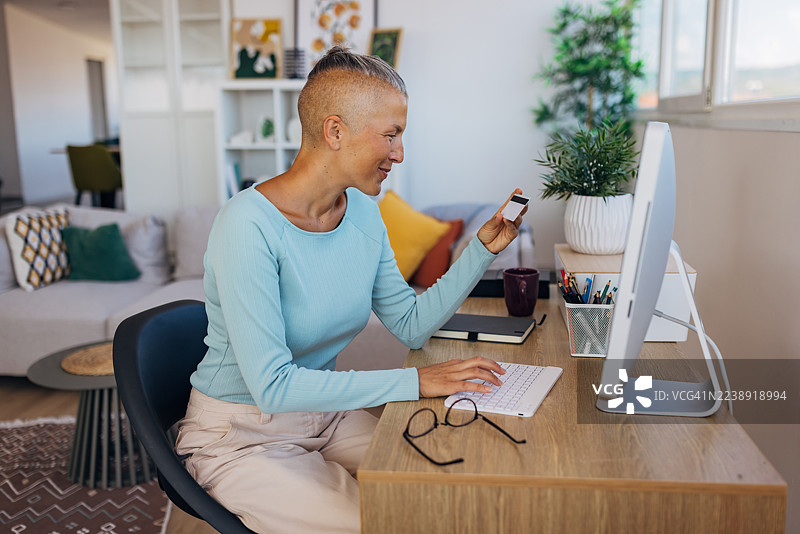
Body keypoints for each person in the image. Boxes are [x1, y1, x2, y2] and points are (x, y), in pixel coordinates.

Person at [175, 46, 529, 534]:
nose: (400, 152)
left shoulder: (361, 211)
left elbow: (410, 326)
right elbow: (273, 386)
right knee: (380, 521)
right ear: (335, 131)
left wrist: (481, 251)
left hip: (326, 417)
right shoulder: (246, 226)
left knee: (452, 483)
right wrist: (416, 383)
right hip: (240, 435)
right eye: (391, 134)